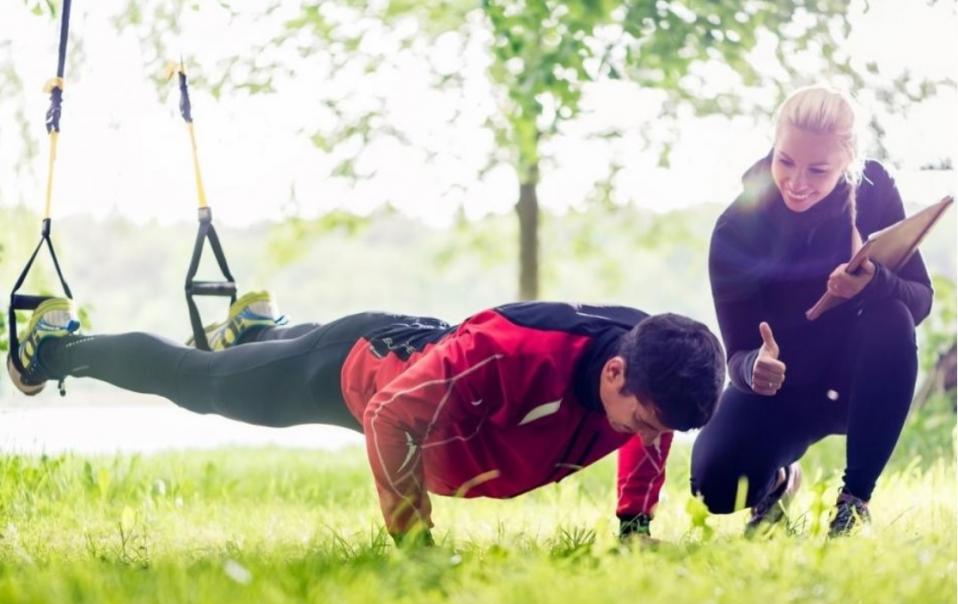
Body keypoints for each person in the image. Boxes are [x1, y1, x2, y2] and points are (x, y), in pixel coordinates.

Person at [7, 291, 725, 546]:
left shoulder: (646, 366)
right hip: (352, 372)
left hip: (417, 346)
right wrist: (413, 542)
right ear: (614, 373)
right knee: (203, 383)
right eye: (646, 421)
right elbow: (389, 416)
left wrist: (634, 527)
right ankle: (56, 346)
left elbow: (652, 432)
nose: (646, 440)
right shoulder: (511, 354)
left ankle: (256, 327)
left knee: (263, 358)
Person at [691, 85, 933, 536]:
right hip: (780, 388)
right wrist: (754, 369)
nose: (797, 183)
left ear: (848, 162)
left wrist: (873, 282)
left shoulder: (874, 191)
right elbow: (738, 351)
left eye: (818, 169)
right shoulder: (737, 225)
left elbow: (920, 298)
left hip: (855, 381)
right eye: (785, 161)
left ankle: (853, 501)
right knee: (714, 485)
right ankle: (777, 485)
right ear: (773, 147)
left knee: (892, 315)